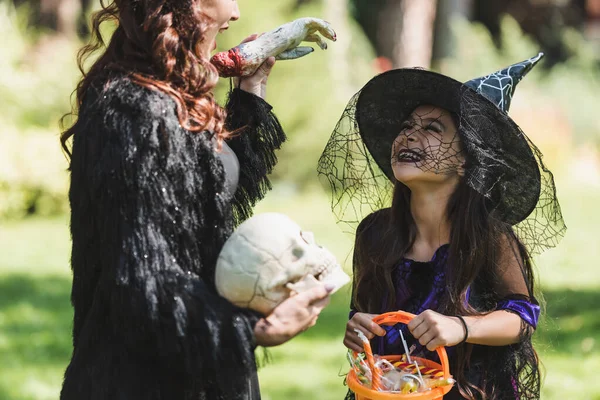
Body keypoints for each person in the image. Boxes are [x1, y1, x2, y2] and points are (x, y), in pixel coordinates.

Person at [59, 0, 333, 399]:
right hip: (143, 378)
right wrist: (257, 329)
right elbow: (139, 281)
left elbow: (214, 194)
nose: (236, 13)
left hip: (203, 359)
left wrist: (250, 89)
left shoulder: (169, 95)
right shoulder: (131, 109)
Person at [317, 53, 566, 399]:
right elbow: (365, 317)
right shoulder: (374, 233)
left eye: (432, 128)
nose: (409, 136)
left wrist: (460, 327)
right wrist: (360, 328)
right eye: (406, 127)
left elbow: (522, 318)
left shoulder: (489, 237)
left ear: (465, 160)